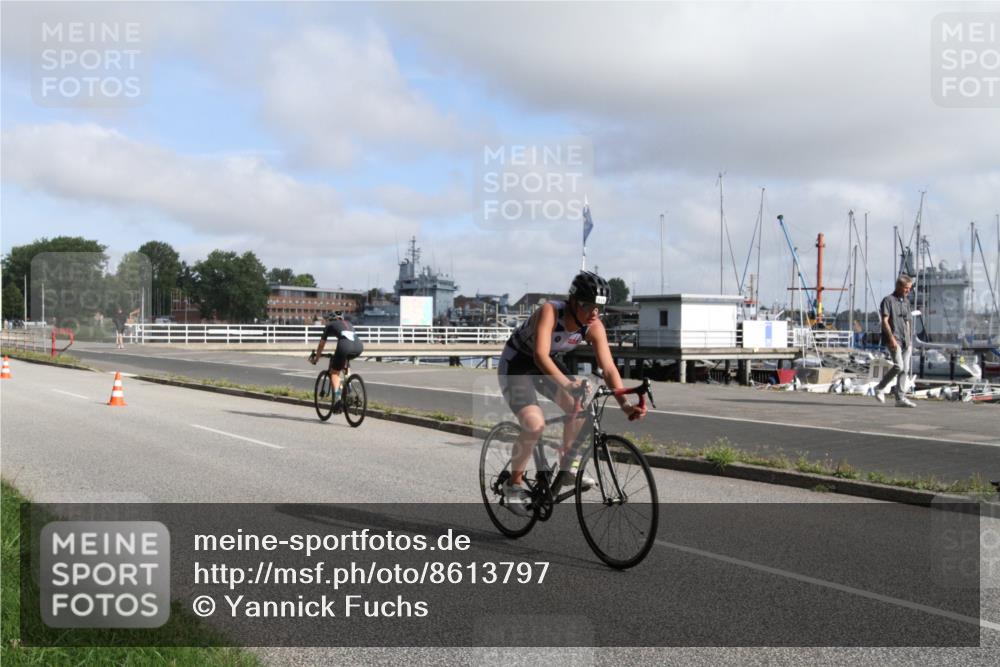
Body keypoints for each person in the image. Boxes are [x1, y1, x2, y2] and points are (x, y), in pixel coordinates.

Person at [498, 271, 647, 515]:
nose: (595, 313)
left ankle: (568, 468)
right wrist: (567, 384)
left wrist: (625, 404)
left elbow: (609, 368)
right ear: (574, 302)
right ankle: (513, 483)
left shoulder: (593, 326)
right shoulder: (551, 311)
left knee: (579, 408)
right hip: (518, 364)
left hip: (548, 365)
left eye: (600, 308)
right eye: (589, 306)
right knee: (534, 424)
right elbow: (540, 356)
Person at [873, 275, 915, 408]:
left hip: (905, 340)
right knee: (899, 366)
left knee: (905, 369)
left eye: (910, 288)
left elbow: (907, 321)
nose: (908, 290)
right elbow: (885, 321)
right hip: (893, 338)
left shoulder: (906, 302)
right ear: (899, 286)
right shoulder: (888, 300)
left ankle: (900, 398)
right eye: (906, 288)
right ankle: (880, 387)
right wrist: (891, 338)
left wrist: (909, 340)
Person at [309, 312, 364, 410]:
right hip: (359, 346)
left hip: (345, 346)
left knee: (334, 373)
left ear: (330, 320)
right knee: (344, 362)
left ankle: (338, 399)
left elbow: (321, 345)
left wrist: (316, 358)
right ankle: (349, 387)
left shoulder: (330, 325)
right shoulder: (349, 324)